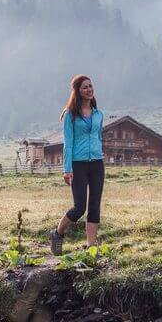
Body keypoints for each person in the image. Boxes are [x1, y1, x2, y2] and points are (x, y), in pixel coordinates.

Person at [50, 75, 105, 254]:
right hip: (78, 164)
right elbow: (68, 143)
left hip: (97, 164)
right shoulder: (71, 115)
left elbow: (98, 137)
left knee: (95, 205)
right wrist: (67, 169)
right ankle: (57, 233)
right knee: (80, 207)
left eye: (90, 86)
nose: (89, 90)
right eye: (85, 87)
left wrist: (99, 152)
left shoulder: (98, 114)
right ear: (78, 91)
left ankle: (91, 247)